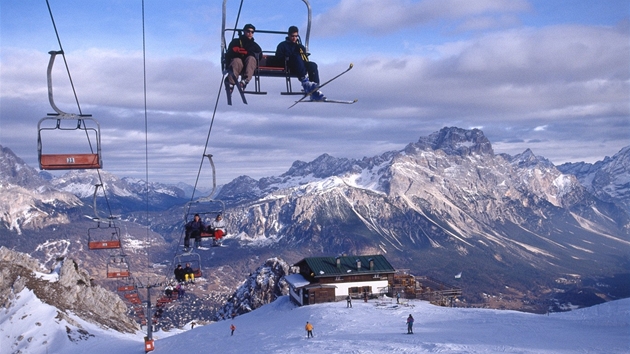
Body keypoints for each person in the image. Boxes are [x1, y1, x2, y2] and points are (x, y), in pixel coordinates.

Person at [276, 26, 325, 101]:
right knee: (296, 57)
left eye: (296, 36)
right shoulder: (282, 45)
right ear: (288, 35)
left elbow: (304, 58)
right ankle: (304, 81)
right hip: (289, 65)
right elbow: (278, 57)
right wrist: (287, 57)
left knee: (313, 65)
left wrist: (303, 52)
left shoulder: (300, 46)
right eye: (292, 36)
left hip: (300, 65)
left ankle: (314, 87)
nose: (294, 38)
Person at [224, 23, 262, 91]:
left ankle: (245, 81)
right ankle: (231, 83)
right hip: (238, 64)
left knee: (251, 59)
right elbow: (229, 53)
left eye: (252, 32)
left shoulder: (255, 45)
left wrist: (248, 53)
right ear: (244, 31)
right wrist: (235, 51)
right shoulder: (236, 42)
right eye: (248, 31)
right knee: (236, 61)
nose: (250, 33)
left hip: (248, 65)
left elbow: (259, 55)